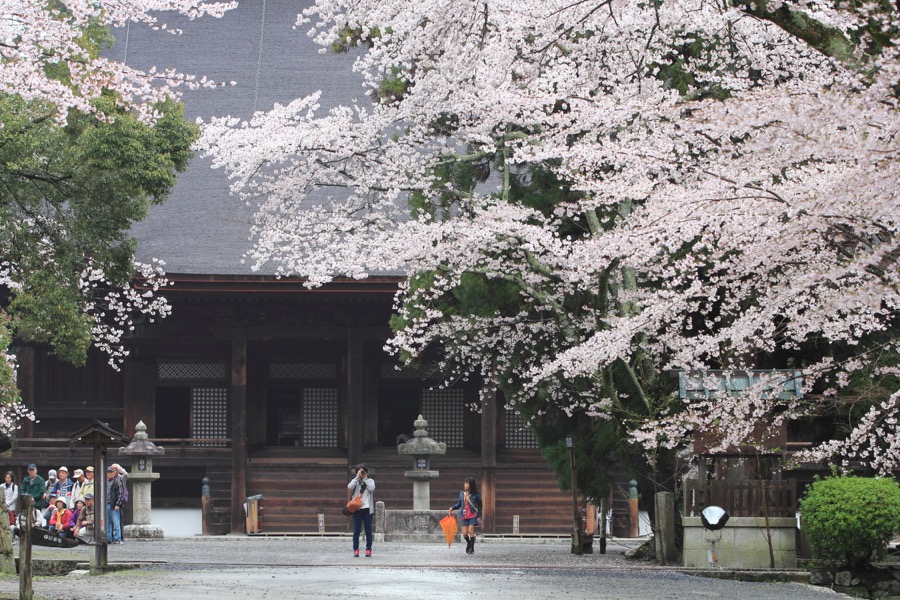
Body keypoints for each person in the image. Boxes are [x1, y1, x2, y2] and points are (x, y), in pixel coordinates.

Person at [449, 477, 483, 555]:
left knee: (470, 531)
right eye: (465, 483)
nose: (465, 485)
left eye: (467, 483)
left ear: (471, 485)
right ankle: (469, 543)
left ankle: (472, 547)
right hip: (464, 515)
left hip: (472, 515)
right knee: (464, 533)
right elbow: (459, 504)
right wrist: (452, 508)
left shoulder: (476, 495)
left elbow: (480, 505)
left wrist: (479, 515)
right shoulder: (461, 494)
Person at [347, 465, 375, 557]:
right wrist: (357, 477)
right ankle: (356, 550)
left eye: (363, 472)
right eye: (359, 471)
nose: (361, 473)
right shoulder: (356, 481)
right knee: (356, 530)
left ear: (366, 473)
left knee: (368, 530)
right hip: (357, 509)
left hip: (367, 509)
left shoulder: (370, 481)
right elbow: (349, 487)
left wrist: (365, 479)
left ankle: (368, 549)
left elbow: (372, 488)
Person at [106, 466, 125, 544]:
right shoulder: (105, 482)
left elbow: (120, 494)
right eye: (108, 472)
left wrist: (118, 504)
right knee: (107, 523)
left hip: (113, 504)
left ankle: (117, 538)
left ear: (114, 473)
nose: (110, 474)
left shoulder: (117, 481)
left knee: (116, 522)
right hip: (106, 503)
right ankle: (108, 538)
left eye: (111, 472)